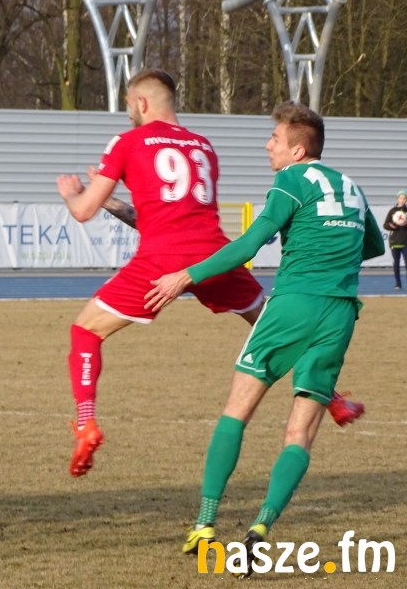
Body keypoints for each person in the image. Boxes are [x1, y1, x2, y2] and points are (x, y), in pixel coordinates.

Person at [144, 101, 385, 575]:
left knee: (237, 410)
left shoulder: (291, 180)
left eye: (274, 138)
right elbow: (373, 245)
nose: (267, 145)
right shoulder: (352, 187)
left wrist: (185, 277)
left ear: (297, 150)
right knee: (301, 433)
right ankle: (260, 529)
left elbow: (248, 246)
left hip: (292, 304)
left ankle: (205, 524)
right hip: (339, 314)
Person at [56, 69, 265, 479]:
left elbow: (82, 212)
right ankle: (332, 399)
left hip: (160, 261)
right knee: (273, 324)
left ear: (141, 103)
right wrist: (115, 204)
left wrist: (72, 194)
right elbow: (170, 219)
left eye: (128, 106)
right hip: (214, 257)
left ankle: (86, 424)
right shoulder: (203, 145)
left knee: (85, 331)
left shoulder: (127, 141)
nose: (128, 114)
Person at [383, 190, 407, 290]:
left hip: (405, 242)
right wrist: (391, 226)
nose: (402, 200)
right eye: (401, 198)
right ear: (397, 199)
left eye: (404, 198)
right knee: (396, 265)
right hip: (394, 242)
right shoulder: (392, 211)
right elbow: (385, 225)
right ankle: (398, 284)